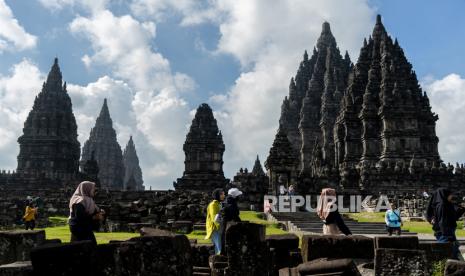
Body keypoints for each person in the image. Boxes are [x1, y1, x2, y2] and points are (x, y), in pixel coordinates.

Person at [426, 188, 465, 260]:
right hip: (444, 233)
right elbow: (442, 221)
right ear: (445, 195)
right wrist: (448, 235)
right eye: (450, 195)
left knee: (453, 251)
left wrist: (462, 209)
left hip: (448, 232)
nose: (452, 196)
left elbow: (453, 217)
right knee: (447, 253)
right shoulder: (441, 205)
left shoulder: (447, 204)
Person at [205, 188, 225, 255]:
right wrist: (220, 227)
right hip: (215, 228)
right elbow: (215, 218)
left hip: (219, 227)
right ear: (217, 195)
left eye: (223, 194)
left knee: (219, 246)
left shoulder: (219, 204)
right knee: (218, 246)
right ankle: (217, 262)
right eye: (221, 194)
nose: (223, 195)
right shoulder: (213, 204)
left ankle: (217, 261)